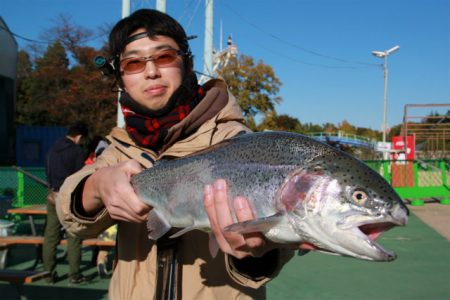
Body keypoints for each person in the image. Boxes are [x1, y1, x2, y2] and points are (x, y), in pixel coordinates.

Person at [56, 9, 300, 299]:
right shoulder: (119, 148)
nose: (151, 71)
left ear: (188, 63)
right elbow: (69, 215)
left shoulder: (235, 140)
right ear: (119, 78)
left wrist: (258, 252)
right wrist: (97, 185)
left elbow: (279, 240)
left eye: (164, 57)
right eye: (133, 63)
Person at [43, 122, 89, 284]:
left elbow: (48, 170)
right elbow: (79, 177)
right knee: (73, 235)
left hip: (52, 194)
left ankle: (48, 273)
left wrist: (52, 188)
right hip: (69, 197)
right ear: (79, 137)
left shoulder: (53, 149)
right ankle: (74, 275)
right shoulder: (76, 151)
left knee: (50, 236)